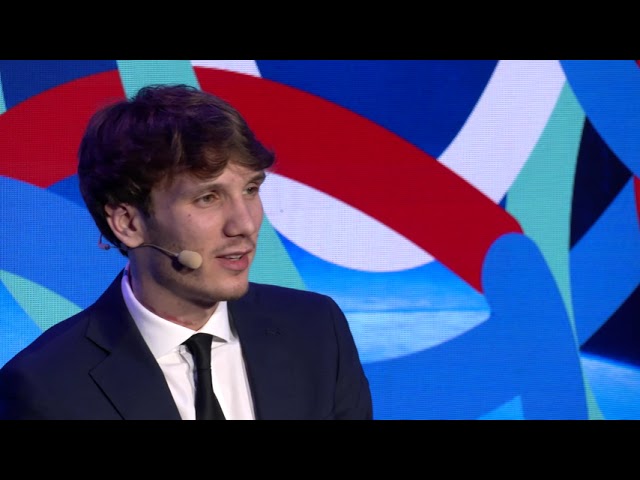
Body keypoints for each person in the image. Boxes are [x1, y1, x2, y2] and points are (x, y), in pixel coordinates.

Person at [0, 83, 373, 420]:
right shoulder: (44, 387)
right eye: (208, 197)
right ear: (128, 224)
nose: (244, 224)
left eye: (250, 190)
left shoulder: (316, 329)